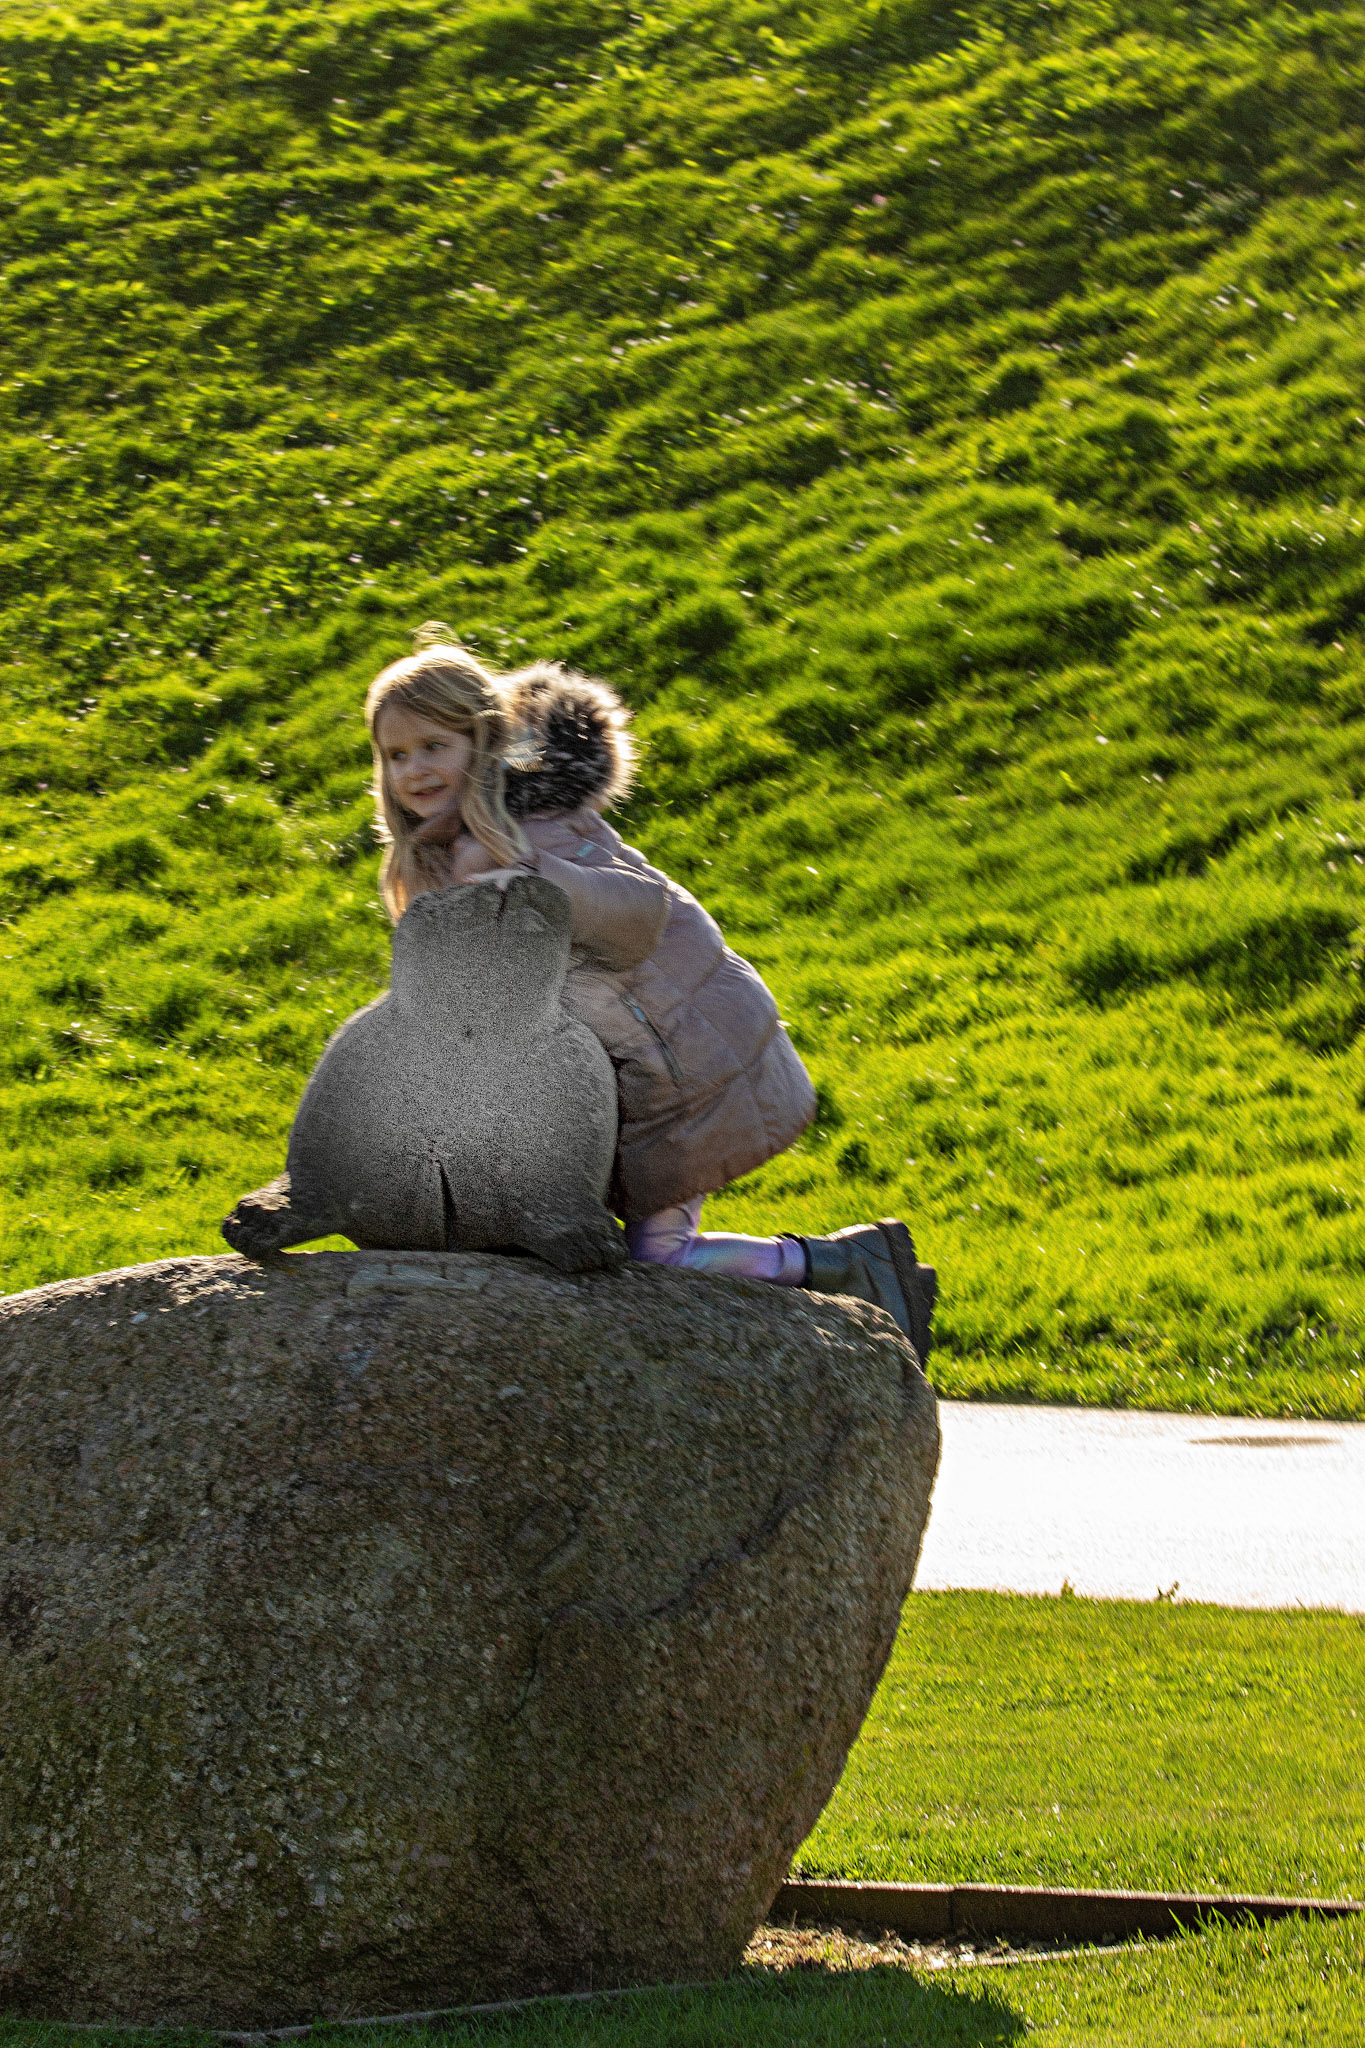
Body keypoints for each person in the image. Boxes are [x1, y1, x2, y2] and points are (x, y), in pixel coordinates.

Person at [365, 624, 936, 1362]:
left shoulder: (534, 828)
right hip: (629, 1077)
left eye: (433, 747)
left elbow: (638, 915)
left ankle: (848, 1268)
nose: (414, 770)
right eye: (396, 755)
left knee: (659, 1259)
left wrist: (541, 884)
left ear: (482, 741)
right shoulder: (437, 859)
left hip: (685, 1067)